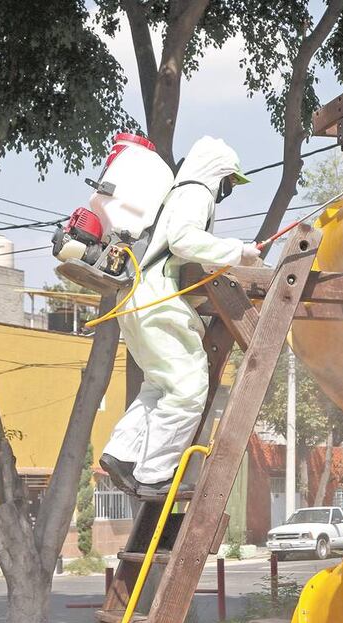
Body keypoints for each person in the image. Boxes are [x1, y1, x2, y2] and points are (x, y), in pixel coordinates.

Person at [99, 136, 260, 497]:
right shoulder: (196, 193)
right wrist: (239, 251)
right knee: (189, 390)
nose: (229, 190)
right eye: (230, 182)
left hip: (136, 300)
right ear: (217, 173)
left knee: (159, 385)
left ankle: (122, 454)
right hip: (157, 301)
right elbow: (183, 240)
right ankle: (155, 473)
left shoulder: (172, 195)